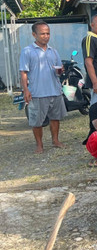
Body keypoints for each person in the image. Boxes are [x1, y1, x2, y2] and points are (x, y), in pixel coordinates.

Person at [19, 21, 67, 154]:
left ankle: (55, 140)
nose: (46, 36)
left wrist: (60, 71)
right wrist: (26, 90)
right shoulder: (27, 51)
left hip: (55, 90)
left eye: (48, 33)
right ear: (34, 34)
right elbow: (23, 72)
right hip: (37, 92)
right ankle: (39, 145)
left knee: (55, 117)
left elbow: (58, 70)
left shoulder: (54, 51)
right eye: (42, 34)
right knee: (37, 121)